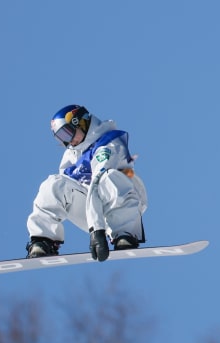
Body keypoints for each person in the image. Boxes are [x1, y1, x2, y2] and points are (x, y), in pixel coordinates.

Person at [26, 105, 148, 261]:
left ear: (81, 123)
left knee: (107, 177)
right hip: (93, 213)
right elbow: (63, 189)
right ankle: (43, 240)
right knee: (54, 184)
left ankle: (124, 234)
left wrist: (96, 231)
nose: (68, 141)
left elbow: (98, 180)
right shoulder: (72, 156)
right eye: (61, 137)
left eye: (67, 133)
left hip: (124, 203)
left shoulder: (108, 143)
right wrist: (96, 228)